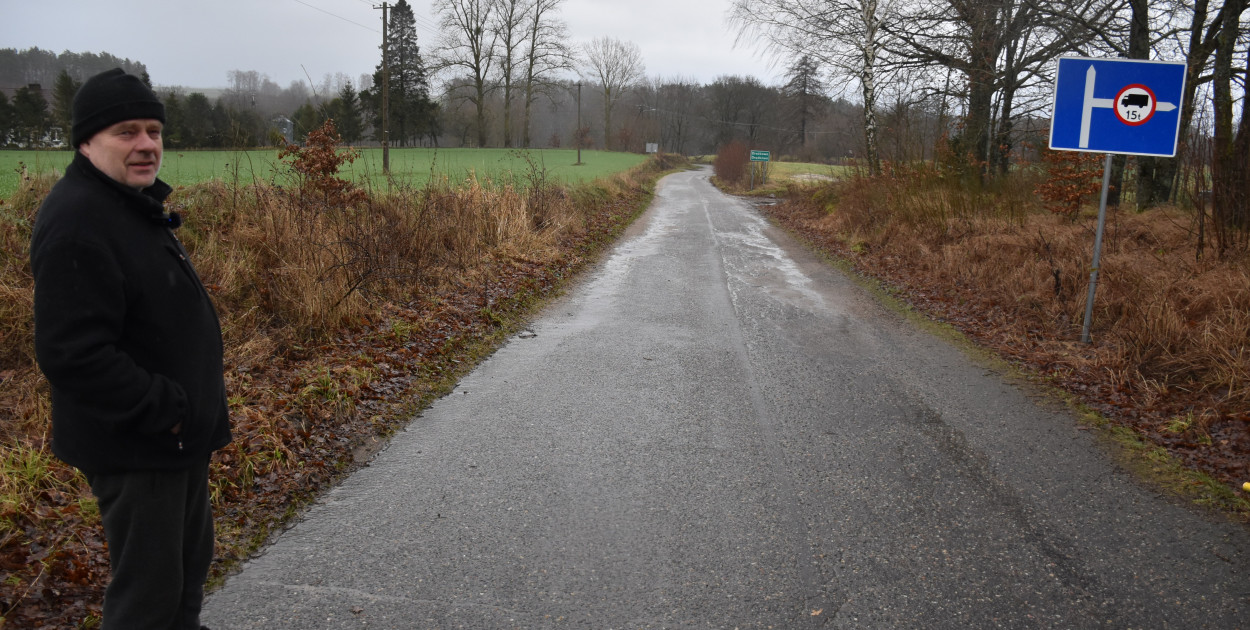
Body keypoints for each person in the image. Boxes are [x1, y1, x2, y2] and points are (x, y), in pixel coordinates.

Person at [29, 68, 232, 630]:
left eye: (153, 131)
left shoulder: (127, 203)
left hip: (176, 438)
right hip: (139, 443)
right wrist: (164, 409)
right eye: (126, 131)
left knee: (185, 574)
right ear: (86, 141)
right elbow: (72, 352)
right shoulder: (78, 220)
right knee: (147, 598)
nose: (146, 144)